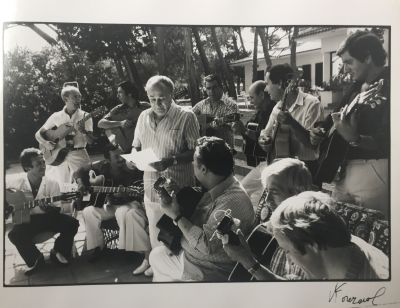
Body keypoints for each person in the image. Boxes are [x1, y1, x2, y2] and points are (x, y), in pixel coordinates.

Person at [149, 137, 255, 282]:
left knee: (156, 258)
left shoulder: (232, 200)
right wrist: (181, 193)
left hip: (209, 270)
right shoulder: (222, 186)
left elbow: (206, 245)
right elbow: (204, 210)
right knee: (158, 254)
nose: (192, 165)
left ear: (203, 169)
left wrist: (176, 216)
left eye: (194, 163)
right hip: (198, 259)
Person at [310, 31, 389, 218]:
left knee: (374, 234)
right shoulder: (355, 87)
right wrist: (320, 129)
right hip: (342, 169)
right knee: (338, 228)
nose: (345, 70)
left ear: (368, 57)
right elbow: (334, 116)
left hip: (372, 170)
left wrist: (355, 138)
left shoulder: (391, 87)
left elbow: (389, 139)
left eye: (349, 62)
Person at [223, 190, 389, 280]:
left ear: (312, 243)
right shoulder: (344, 246)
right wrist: (248, 261)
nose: (288, 260)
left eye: (288, 251)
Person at [129, 75, 200, 276]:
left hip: (177, 187)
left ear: (171, 94)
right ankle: (154, 262)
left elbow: (195, 151)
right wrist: (132, 157)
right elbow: (136, 144)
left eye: (161, 98)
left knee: (174, 230)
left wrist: (171, 160)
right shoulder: (143, 116)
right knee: (153, 226)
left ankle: (174, 270)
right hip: (151, 183)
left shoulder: (187, 116)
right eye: (152, 99)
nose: (157, 104)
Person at [7, 148, 80, 275]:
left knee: (72, 223)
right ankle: (36, 259)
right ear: (28, 168)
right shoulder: (15, 182)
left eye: (43, 162)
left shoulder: (52, 183)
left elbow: (57, 208)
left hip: (48, 217)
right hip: (27, 221)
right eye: (38, 164)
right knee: (14, 235)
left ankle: (58, 251)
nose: (43, 166)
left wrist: (47, 208)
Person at [74, 143, 148, 265]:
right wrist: (81, 183)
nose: (121, 159)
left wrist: (125, 194)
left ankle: (130, 250)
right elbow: (80, 171)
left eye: (122, 155)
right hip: (111, 205)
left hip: (130, 203)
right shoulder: (101, 166)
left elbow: (139, 189)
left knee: (122, 212)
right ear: (107, 160)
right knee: (89, 211)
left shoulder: (131, 168)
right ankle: (99, 247)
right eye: (116, 157)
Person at [258, 64, 325, 187]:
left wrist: (292, 123)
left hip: (308, 170)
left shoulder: (312, 104)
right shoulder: (277, 107)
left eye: (267, 84)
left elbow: (312, 144)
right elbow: (265, 134)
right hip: (284, 170)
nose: (266, 90)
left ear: (279, 83)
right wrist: (263, 141)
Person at [35, 83, 94, 184]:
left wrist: (83, 131)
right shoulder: (56, 116)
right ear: (65, 98)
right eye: (75, 97)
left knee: (85, 188)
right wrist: (45, 143)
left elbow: (91, 141)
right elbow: (38, 134)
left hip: (79, 155)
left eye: (80, 96)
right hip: (59, 157)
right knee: (63, 189)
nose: (78, 99)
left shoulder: (85, 116)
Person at [231, 80, 276, 207]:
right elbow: (250, 128)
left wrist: (244, 130)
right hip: (262, 162)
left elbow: (266, 137)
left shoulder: (273, 111)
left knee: (244, 190)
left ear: (262, 95)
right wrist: (240, 128)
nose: (250, 101)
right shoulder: (261, 111)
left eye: (252, 98)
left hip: (269, 162)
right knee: (250, 195)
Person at [98, 80, 148, 153]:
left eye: (120, 92)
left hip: (146, 147)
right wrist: (120, 123)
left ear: (130, 93)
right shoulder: (118, 109)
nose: (117, 95)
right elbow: (100, 123)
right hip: (127, 150)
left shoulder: (146, 107)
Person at [192, 74, 239, 148]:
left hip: (224, 149)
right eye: (208, 88)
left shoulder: (231, 105)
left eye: (214, 87)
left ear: (221, 87)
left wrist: (223, 125)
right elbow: (189, 117)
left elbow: (234, 128)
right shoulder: (201, 105)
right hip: (204, 149)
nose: (211, 91)